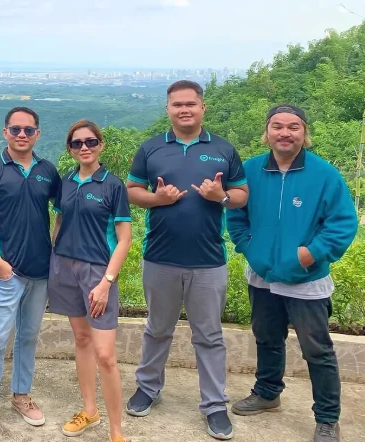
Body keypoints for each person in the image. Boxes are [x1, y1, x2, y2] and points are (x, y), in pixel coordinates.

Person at [124, 80, 248, 440]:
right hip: (160, 258)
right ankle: (148, 388)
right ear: (168, 109)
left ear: (203, 107)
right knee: (157, 329)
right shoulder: (150, 150)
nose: (184, 110)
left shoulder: (223, 149)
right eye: (177, 104)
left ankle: (214, 405)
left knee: (209, 336)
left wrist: (220, 196)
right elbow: (132, 192)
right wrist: (158, 200)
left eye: (191, 104)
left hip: (209, 261)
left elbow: (241, 195)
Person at [226, 105, 358, 442]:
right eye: (278, 126)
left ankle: (328, 417)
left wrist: (309, 254)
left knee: (317, 350)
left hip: (306, 279)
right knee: (267, 338)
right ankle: (268, 393)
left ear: (304, 133)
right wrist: (249, 248)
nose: (285, 133)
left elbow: (342, 223)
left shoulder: (324, 174)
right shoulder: (251, 170)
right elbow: (237, 215)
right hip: (263, 276)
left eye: (294, 127)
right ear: (267, 132)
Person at [0, 107, 60, 440]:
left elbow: (60, 214)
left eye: (28, 130)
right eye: (15, 129)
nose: (22, 135)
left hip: (41, 271)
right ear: (5, 132)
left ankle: (21, 396)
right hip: (7, 273)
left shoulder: (48, 171)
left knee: (29, 337)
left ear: (38, 134)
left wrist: (54, 250)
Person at [49, 120, 132, 442]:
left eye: (91, 141)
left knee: (106, 354)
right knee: (81, 341)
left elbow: (124, 239)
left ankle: (116, 430)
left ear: (101, 145)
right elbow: (59, 219)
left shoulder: (113, 185)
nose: (84, 147)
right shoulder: (65, 182)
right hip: (64, 268)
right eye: (77, 143)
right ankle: (89, 411)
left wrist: (107, 281)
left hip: (98, 273)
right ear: (69, 148)